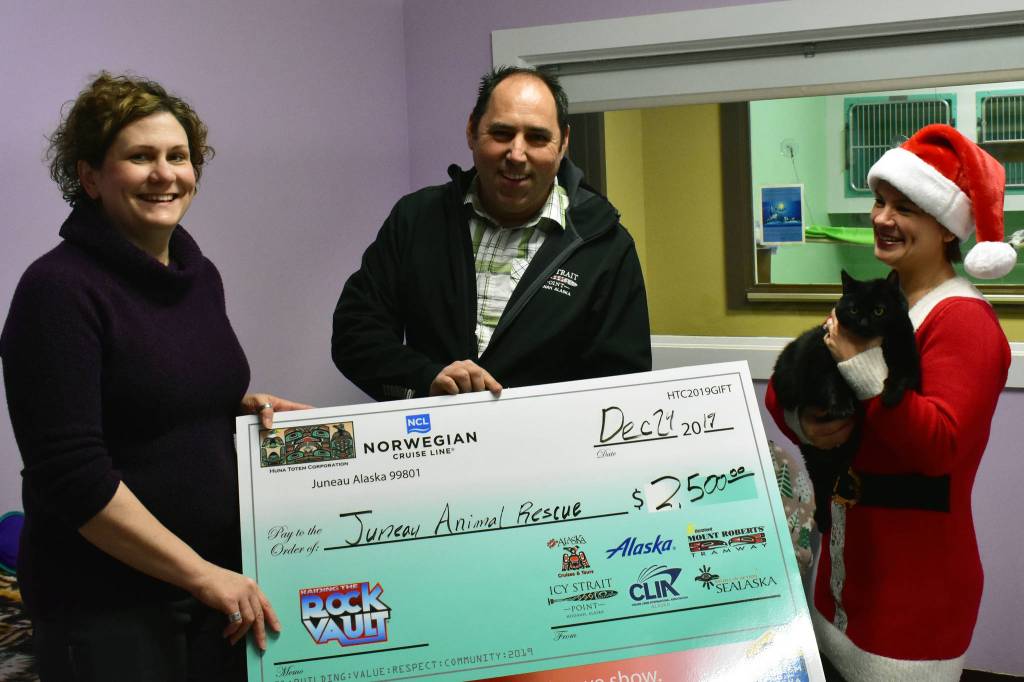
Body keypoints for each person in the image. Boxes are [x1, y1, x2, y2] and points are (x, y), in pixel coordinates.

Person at [0, 72, 311, 681]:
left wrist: (232, 409)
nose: (165, 173)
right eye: (139, 156)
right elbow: (72, 475)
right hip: (109, 609)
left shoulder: (198, 275)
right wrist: (202, 574)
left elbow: (154, 399)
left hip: (209, 597)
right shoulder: (57, 292)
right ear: (89, 177)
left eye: (178, 156)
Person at [765, 124, 1013, 681]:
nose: (882, 218)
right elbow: (788, 386)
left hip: (914, 593)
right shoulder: (880, 301)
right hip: (846, 578)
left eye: (905, 207)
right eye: (879, 201)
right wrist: (807, 421)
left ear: (947, 229)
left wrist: (857, 363)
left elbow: (937, 448)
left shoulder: (964, 322)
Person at [332, 66, 651, 400]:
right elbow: (355, 334)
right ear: (472, 130)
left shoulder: (605, 245)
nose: (516, 154)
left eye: (537, 138)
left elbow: (622, 386)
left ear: (563, 144)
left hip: (546, 448)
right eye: (501, 133)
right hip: (433, 444)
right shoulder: (416, 219)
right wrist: (426, 377)